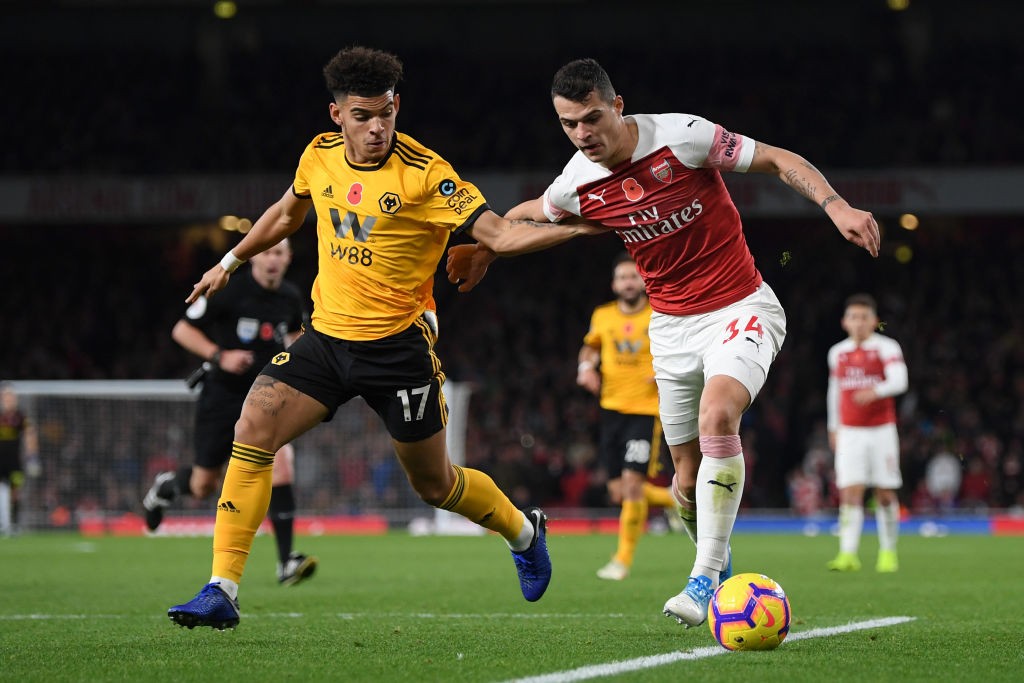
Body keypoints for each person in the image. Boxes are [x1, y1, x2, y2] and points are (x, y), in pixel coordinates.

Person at [166, 46, 599, 630]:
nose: (377, 127)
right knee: (253, 425)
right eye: (363, 116)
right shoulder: (319, 156)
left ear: (398, 107)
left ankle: (523, 532)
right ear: (336, 115)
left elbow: (499, 234)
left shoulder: (425, 174)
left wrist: (584, 227)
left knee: (435, 485)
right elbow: (288, 213)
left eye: (387, 113)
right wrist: (230, 262)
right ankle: (222, 588)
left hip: (398, 350)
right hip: (325, 340)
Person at [446, 57, 880, 628]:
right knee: (684, 482)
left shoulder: (683, 136)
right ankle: (718, 565)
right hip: (671, 328)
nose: (582, 133)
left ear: (617, 105)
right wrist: (488, 248)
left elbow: (778, 159)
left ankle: (702, 580)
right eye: (569, 124)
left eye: (592, 118)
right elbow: (535, 212)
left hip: (740, 305)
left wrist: (836, 205)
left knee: (718, 415)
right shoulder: (578, 179)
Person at [143, 238, 319, 586]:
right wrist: (219, 356)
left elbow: (294, 338)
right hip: (222, 396)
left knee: (281, 462)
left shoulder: (290, 297)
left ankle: (286, 562)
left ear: (288, 258)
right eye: (266, 252)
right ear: (254, 258)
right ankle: (166, 487)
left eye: (279, 253)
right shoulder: (229, 290)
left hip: (265, 398)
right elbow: (182, 329)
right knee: (203, 485)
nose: (272, 259)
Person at [578, 252, 677, 581]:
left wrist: (666, 368)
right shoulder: (603, 315)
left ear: (644, 281)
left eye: (633, 277)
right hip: (610, 409)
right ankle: (675, 500)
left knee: (633, 485)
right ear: (614, 284)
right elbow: (591, 346)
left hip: (645, 411)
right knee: (619, 491)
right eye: (622, 277)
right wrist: (585, 367)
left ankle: (621, 560)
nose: (628, 282)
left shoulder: (659, 314)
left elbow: (679, 347)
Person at [826, 293, 908, 573]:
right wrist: (833, 426)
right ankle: (848, 553)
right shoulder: (837, 352)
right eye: (854, 317)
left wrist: (875, 391)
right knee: (850, 491)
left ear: (874, 321)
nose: (859, 322)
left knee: (884, 492)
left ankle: (888, 552)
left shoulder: (886, 347)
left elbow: (900, 380)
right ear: (844, 322)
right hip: (850, 431)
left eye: (864, 317)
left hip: (881, 430)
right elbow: (835, 392)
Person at [1, 383, 39, 537]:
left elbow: (30, 435)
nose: (10, 399)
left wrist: (32, 458)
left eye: (12, 396)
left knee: (15, 493)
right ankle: (3, 523)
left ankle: (14, 524)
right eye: (6, 396)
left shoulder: (20, 417)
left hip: (14, 463)